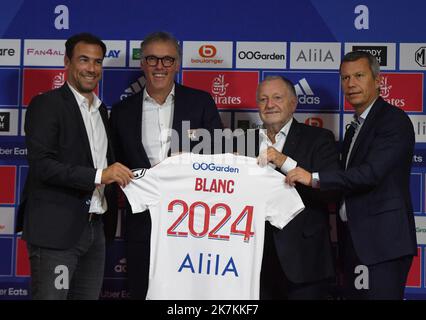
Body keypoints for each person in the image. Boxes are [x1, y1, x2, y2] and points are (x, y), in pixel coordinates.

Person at [286, 51, 417, 299]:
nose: (351, 84)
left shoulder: (393, 120)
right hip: (356, 242)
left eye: (359, 75)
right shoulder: (356, 126)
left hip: (382, 245)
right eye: (345, 78)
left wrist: (313, 177)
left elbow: (370, 173)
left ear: (378, 80)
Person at [17, 33, 134, 300]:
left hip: (95, 230)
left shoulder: (102, 111)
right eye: (84, 60)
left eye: (97, 62)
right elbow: (43, 165)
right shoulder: (47, 105)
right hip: (56, 233)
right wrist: (100, 175)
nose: (91, 69)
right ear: (67, 62)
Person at [110, 31, 223, 299]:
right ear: (142, 63)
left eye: (168, 59)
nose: (160, 66)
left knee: (190, 295)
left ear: (178, 64)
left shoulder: (201, 102)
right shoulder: (122, 112)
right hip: (142, 223)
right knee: (141, 291)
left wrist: (192, 161)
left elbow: (220, 154)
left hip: (193, 222)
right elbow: (113, 163)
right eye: (152, 59)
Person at [245, 75, 339, 299]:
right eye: (263, 99)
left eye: (277, 97)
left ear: (293, 103)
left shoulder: (319, 138)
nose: (269, 105)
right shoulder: (242, 141)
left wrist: (284, 162)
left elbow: (333, 189)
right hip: (252, 262)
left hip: (304, 262)